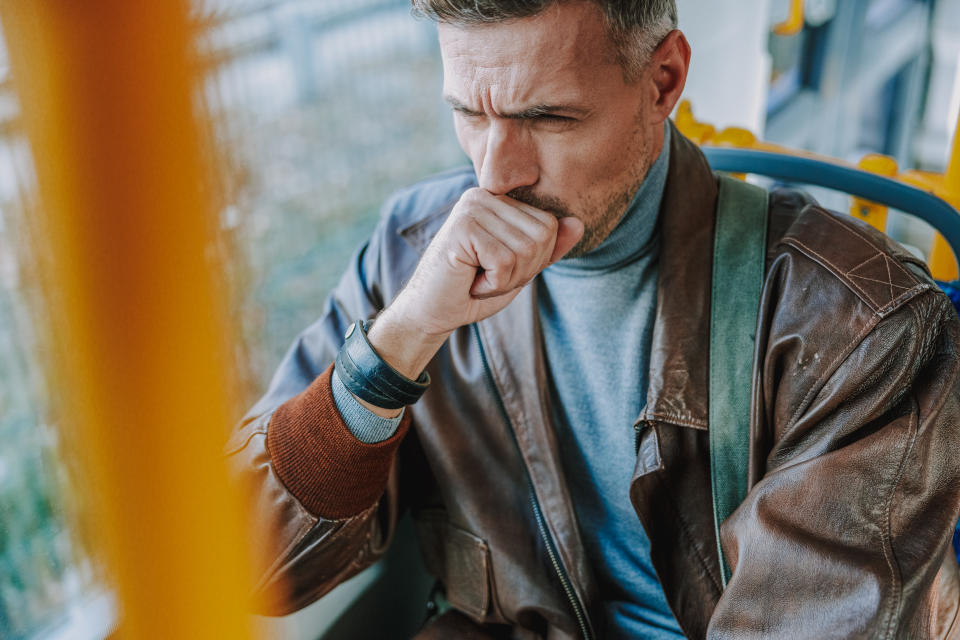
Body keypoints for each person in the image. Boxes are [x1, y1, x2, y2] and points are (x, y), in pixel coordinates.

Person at [226, 1, 960, 637]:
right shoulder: (408, 257)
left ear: (663, 81)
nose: (495, 175)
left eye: (546, 117)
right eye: (468, 113)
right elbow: (242, 570)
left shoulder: (863, 329)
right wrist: (399, 342)